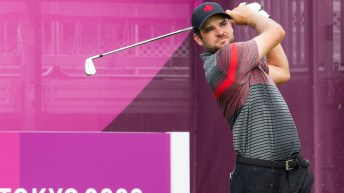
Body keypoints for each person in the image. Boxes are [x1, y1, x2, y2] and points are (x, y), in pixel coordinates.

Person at [191, 2, 314, 193]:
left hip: (292, 174)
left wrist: (260, 16)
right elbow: (277, 32)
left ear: (231, 25)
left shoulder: (243, 63)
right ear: (199, 39)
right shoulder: (226, 59)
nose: (219, 32)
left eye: (223, 24)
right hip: (260, 176)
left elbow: (282, 71)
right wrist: (252, 17)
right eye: (209, 29)